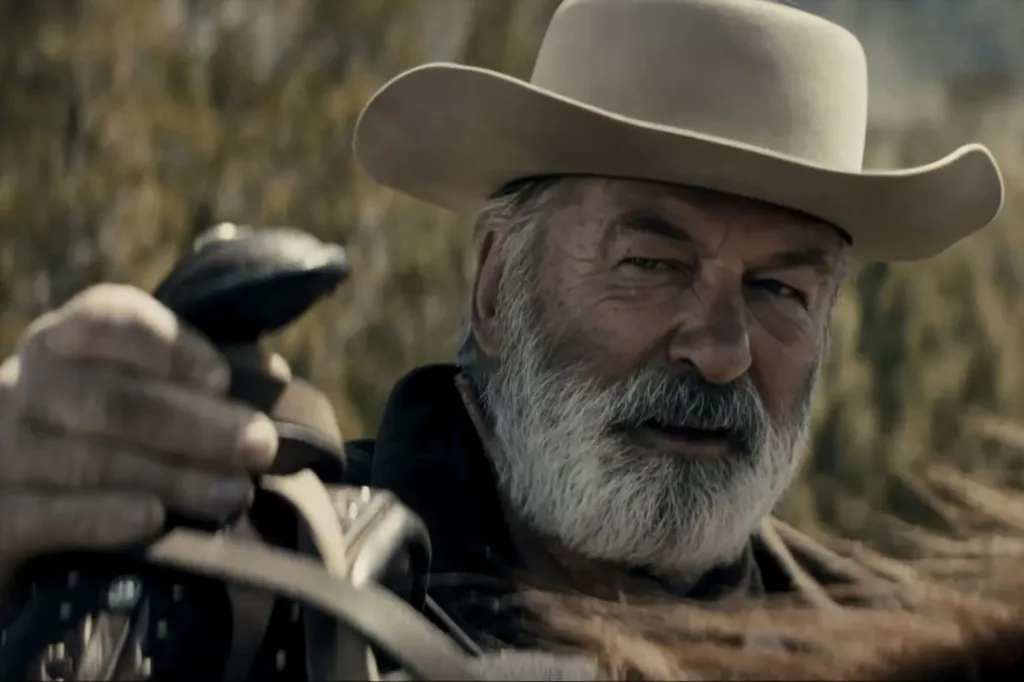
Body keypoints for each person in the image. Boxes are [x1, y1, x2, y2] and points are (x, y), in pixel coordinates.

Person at [0, 0, 1005, 652]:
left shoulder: (863, 651)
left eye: (782, 291)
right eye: (649, 263)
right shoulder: (258, 588)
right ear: (491, 283)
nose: (720, 347)